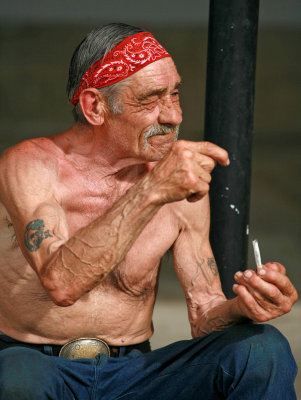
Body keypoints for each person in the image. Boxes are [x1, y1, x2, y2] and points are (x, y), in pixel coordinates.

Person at [0, 22, 298, 400]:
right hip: (37, 364)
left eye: (175, 94)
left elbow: (204, 313)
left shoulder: (175, 180)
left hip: (134, 373)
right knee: (17, 376)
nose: (173, 116)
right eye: (152, 99)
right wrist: (152, 190)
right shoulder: (30, 166)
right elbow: (61, 284)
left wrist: (246, 305)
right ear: (95, 107)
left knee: (261, 348)